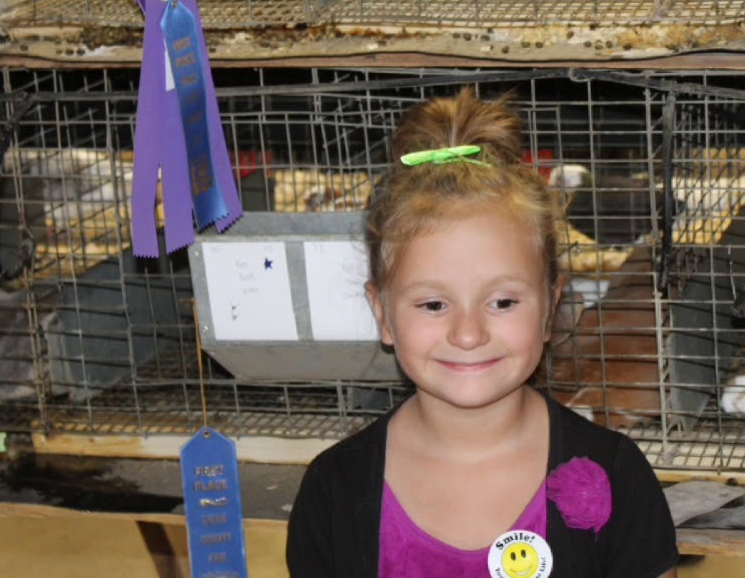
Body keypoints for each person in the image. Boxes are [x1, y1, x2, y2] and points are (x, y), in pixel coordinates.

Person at [286, 87, 679, 578]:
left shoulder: (615, 477)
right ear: (383, 314)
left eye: (502, 302)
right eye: (433, 304)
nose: (468, 334)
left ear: (551, 309)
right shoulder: (335, 491)